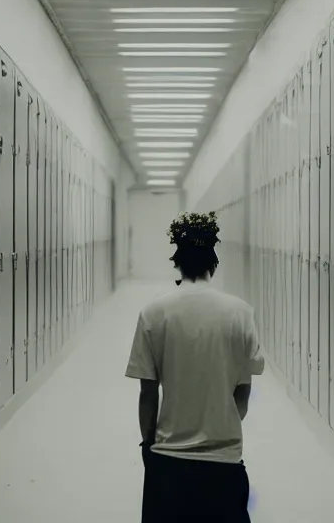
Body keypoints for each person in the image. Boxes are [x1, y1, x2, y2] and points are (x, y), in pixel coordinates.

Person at [125, 211, 265, 522]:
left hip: (168, 463)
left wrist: (149, 446)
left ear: (177, 261)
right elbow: (242, 392)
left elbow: (147, 393)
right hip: (225, 461)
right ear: (213, 262)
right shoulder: (240, 313)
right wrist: (219, 423)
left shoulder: (153, 313)